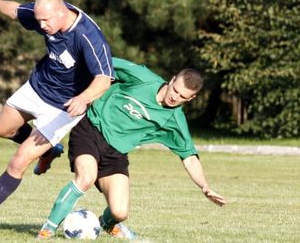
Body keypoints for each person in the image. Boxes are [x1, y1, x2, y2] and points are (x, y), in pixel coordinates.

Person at [0, 0, 114, 238]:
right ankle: (50, 150)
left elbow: (104, 78)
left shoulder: (88, 37)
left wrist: (83, 98)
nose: (41, 25)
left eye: (46, 21)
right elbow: (15, 10)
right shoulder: (45, 14)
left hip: (63, 107)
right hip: (37, 87)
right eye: (38, 21)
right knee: (1, 129)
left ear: (62, 12)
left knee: (19, 161)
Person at [37, 57, 226, 239]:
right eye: (175, 90)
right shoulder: (142, 77)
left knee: (120, 212)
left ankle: (108, 224)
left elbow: (190, 157)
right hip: (90, 129)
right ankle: (48, 230)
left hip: (115, 154)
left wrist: (205, 187)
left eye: (182, 96)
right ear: (172, 79)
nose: (174, 97)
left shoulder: (175, 120)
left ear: (191, 98)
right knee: (86, 177)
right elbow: (103, 63)